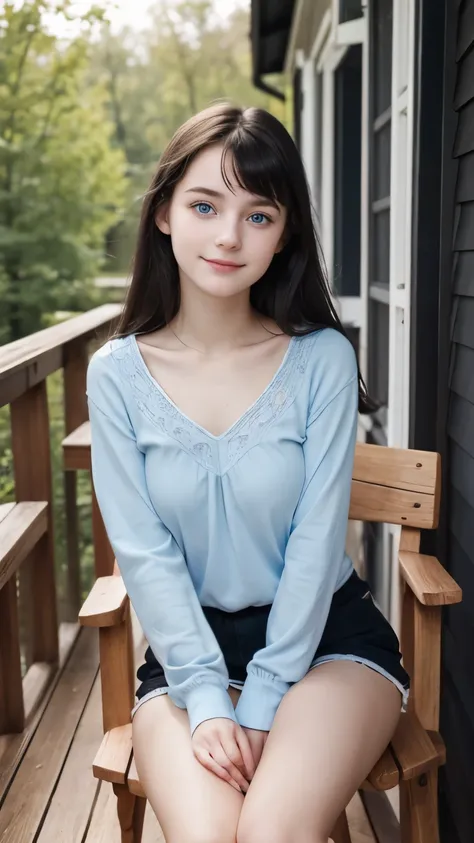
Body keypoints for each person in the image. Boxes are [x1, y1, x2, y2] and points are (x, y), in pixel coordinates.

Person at [86, 103, 410, 843]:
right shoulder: (117, 376)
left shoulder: (321, 358)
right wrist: (207, 697)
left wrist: (261, 697)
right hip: (186, 653)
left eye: (259, 215)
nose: (229, 236)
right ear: (165, 212)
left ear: (284, 233)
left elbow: (317, 541)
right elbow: (144, 553)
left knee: (272, 832)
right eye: (205, 205)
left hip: (328, 642)